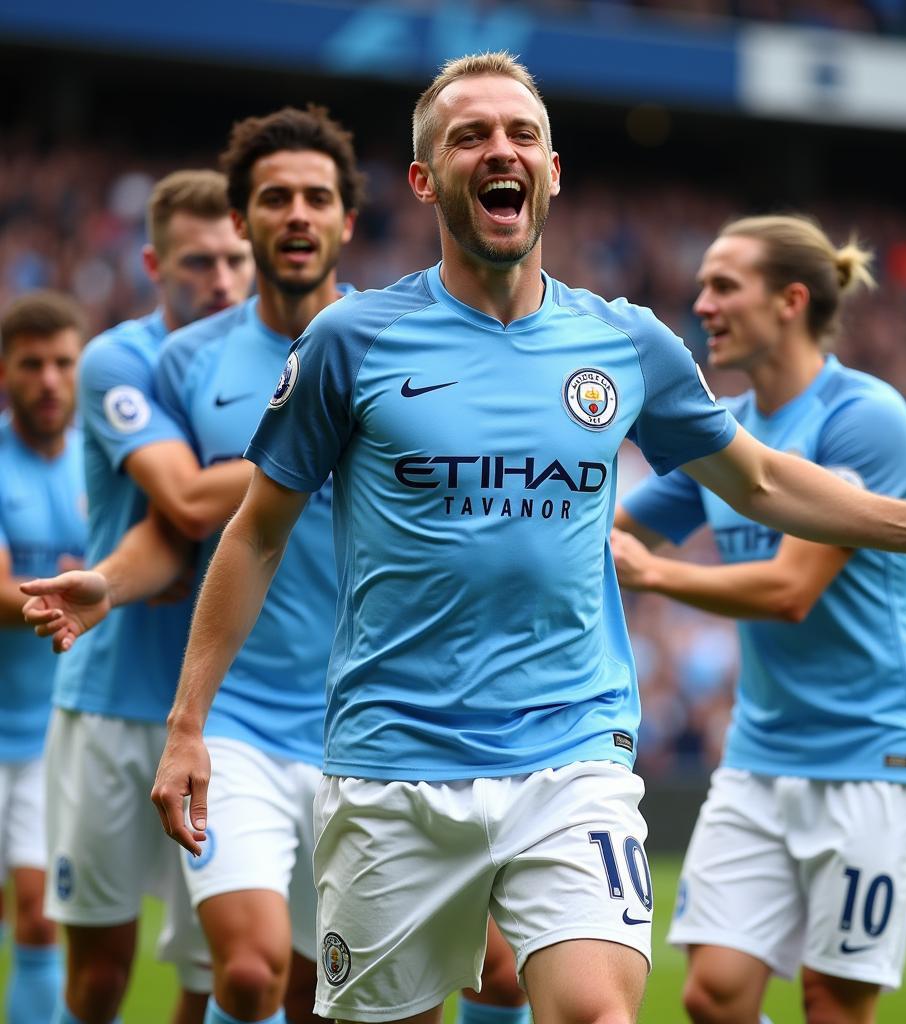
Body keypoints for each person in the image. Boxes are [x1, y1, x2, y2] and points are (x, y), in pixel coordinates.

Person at [147, 53, 906, 1024]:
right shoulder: (352, 342)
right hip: (393, 757)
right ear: (427, 181)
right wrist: (187, 724)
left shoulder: (627, 343)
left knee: (597, 1013)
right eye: (469, 135)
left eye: (520, 133)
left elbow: (760, 478)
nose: (499, 149)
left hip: (572, 755)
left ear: (553, 171)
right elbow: (254, 536)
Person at [23, 109, 527, 1024]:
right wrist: (107, 582)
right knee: (246, 974)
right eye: (274, 198)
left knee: (439, 977)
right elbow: (170, 531)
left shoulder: (404, 344)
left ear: (346, 221)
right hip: (242, 723)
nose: (296, 214)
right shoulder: (184, 361)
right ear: (244, 220)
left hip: (372, 721)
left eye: (317, 198)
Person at [611, 214, 906, 1024]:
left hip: (878, 755)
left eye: (723, 285)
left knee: (830, 1002)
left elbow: (790, 588)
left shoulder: (862, 417)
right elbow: (615, 533)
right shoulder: (722, 433)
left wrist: (655, 574)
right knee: (713, 995)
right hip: (762, 752)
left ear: (790, 301)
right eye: (701, 284)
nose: (700, 303)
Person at [27, 170, 255, 1024]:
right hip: (112, 697)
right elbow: (188, 503)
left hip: (230, 711)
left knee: (219, 971)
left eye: (237, 259)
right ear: (156, 263)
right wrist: (318, 444)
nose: (223, 281)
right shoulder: (121, 359)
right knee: (97, 971)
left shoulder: (277, 363)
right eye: (199, 262)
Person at [0, 291, 88, 1023]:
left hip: (50, 738)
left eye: (63, 363)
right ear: (7, 372)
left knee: (38, 915)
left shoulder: (101, 465)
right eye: (33, 365)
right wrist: (53, 598)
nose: (50, 380)